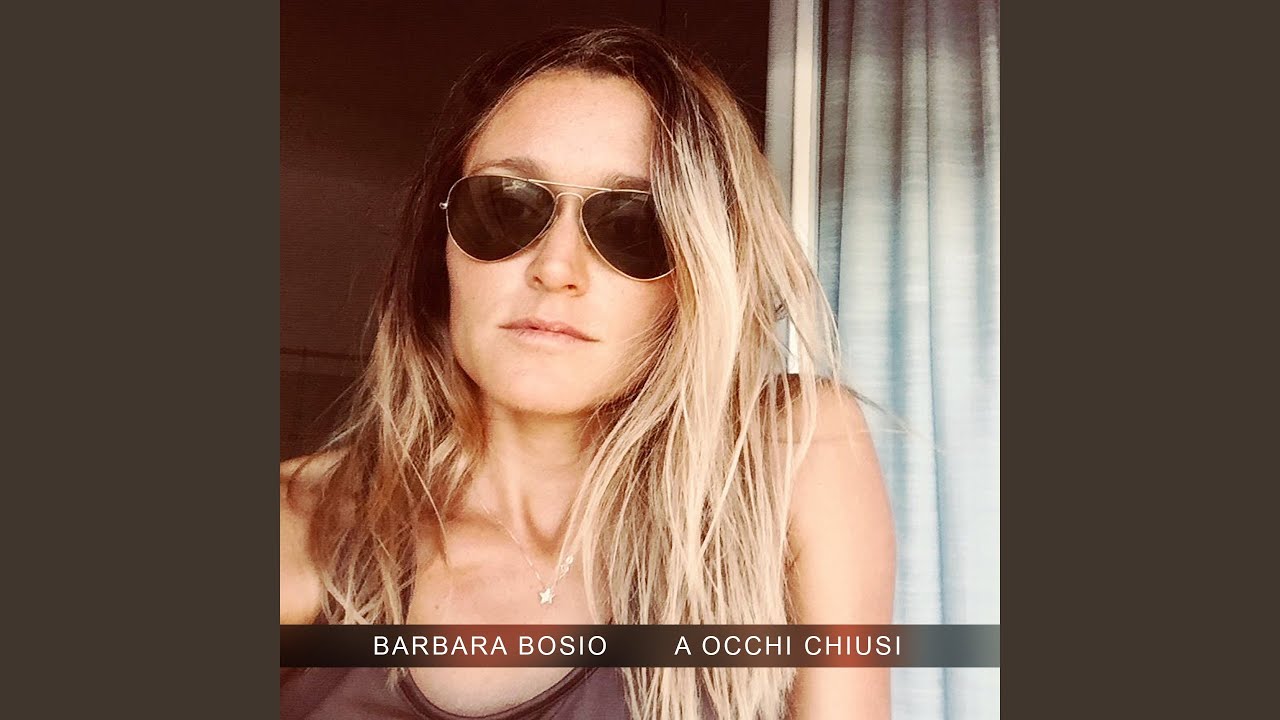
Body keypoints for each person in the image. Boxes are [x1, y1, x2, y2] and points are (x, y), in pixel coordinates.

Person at [280, 26, 894, 720]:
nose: (555, 267)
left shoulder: (791, 455)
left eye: (635, 225)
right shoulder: (299, 526)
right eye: (506, 205)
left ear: (700, 272)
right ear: (438, 246)